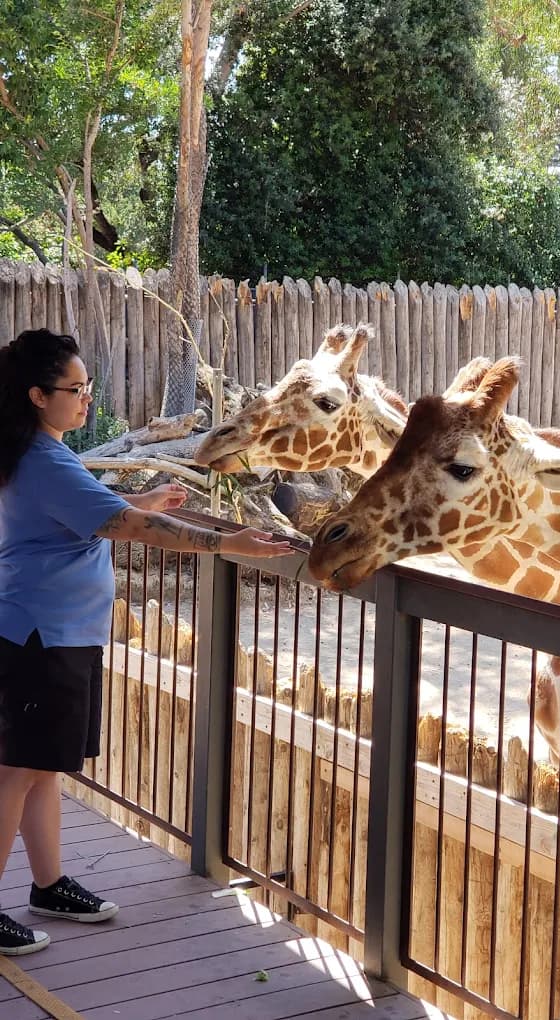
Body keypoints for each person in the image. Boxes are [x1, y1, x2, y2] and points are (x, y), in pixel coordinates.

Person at [0, 328, 293, 955]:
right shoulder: (43, 459)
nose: (85, 400)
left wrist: (142, 497)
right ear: (35, 395)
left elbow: (91, 509)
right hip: (39, 637)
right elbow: (133, 529)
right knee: (16, 770)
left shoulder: (36, 450)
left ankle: (48, 885)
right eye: (74, 390)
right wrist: (227, 542)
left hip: (55, 633)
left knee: (41, 767)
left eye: (87, 388)